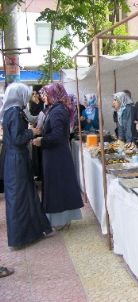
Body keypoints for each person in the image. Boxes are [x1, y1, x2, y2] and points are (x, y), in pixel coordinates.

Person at [0, 83, 52, 248]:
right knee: (20, 199)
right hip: (17, 159)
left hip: (13, 158)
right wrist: (32, 132)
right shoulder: (15, 112)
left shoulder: (9, 111)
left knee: (24, 196)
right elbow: (17, 138)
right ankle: (21, 237)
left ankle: (32, 232)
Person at [32, 83, 83, 230]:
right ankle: (60, 219)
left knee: (58, 186)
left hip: (57, 156)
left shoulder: (57, 111)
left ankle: (60, 219)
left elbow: (58, 136)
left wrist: (42, 140)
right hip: (56, 155)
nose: (43, 97)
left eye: (45, 94)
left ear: (54, 94)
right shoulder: (55, 109)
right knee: (58, 185)